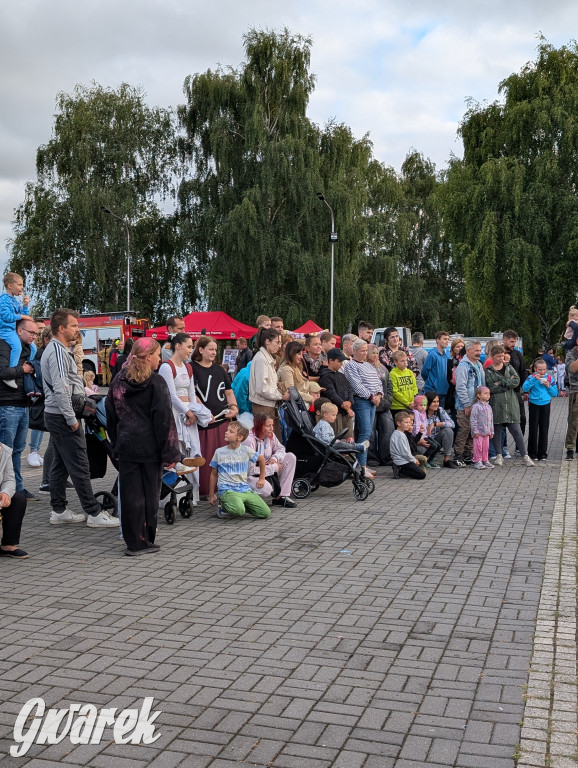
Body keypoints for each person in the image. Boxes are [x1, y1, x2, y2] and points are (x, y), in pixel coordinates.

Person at [41, 308, 119, 527]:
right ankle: (94, 513)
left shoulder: (60, 349)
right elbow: (60, 388)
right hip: (61, 416)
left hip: (57, 414)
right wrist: (70, 418)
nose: (77, 329)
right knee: (79, 463)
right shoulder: (56, 350)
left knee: (60, 464)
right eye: (74, 325)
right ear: (61, 328)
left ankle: (58, 510)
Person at [106, 338, 181, 555]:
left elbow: (111, 416)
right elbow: (164, 420)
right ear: (149, 357)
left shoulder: (118, 380)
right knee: (149, 495)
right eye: (158, 354)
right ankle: (146, 539)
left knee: (130, 494)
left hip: (127, 445)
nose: (160, 359)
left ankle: (133, 542)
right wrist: (168, 450)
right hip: (150, 448)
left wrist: (115, 442)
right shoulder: (156, 382)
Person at [158, 333, 213, 505]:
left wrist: (195, 412)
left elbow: (191, 394)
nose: (191, 350)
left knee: (191, 451)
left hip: (188, 412)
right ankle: (170, 495)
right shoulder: (167, 367)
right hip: (173, 414)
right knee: (177, 450)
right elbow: (171, 395)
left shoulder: (188, 368)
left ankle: (191, 494)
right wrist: (188, 412)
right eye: (189, 346)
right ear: (178, 346)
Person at [192, 335, 238, 497]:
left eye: (215, 350)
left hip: (221, 421)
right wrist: (203, 413)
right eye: (210, 349)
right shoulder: (192, 368)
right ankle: (204, 490)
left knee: (223, 457)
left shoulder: (219, 370)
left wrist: (233, 407)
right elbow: (191, 394)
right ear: (201, 350)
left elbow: (229, 392)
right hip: (203, 424)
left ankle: (223, 487)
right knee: (205, 457)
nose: (213, 352)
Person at [0, 317, 38, 501]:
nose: (33, 336)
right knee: (6, 451)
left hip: (23, 404)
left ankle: (17, 488)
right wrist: (23, 370)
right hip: (8, 405)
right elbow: (3, 372)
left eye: (36, 334)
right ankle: (9, 490)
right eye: (31, 332)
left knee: (17, 450)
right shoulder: (5, 345)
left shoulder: (30, 349)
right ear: (19, 331)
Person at [209, 421, 271, 520]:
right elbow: (213, 474)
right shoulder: (219, 452)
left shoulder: (246, 450)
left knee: (265, 513)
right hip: (227, 490)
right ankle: (223, 506)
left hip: (244, 489)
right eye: (227, 430)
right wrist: (211, 495)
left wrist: (262, 478)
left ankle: (238, 504)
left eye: (231, 431)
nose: (226, 432)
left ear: (239, 437)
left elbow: (261, 459)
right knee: (239, 511)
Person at [485, 344, 534, 467]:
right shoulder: (488, 371)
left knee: (516, 431)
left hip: (511, 404)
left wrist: (501, 382)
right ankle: (499, 455)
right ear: (492, 356)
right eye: (498, 356)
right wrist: (507, 383)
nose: (501, 358)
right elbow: (491, 387)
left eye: (502, 356)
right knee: (497, 431)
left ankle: (525, 456)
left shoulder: (509, 367)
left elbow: (516, 381)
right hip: (497, 405)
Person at [343, 339, 383, 478]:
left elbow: (377, 381)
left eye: (366, 350)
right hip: (362, 401)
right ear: (354, 351)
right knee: (365, 432)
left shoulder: (368, 365)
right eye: (362, 351)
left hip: (373, 401)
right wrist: (371, 396)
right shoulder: (351, 365)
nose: (365, 353)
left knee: (368, 432)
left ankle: (363, 463)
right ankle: (362, 466)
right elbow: (356, 385)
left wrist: (379, 394)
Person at [243, 413, 297, 508]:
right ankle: (246, 498)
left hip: (265, 470)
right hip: (249, 476)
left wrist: (274, 458)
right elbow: (249, 471)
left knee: (290, 457)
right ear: (259, 426)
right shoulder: (249, 440)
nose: (272, 428)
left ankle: (281, 496)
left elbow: (281, 449)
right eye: (268, 426)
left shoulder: (270, 435)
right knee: (266, 490)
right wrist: (273, 468)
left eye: (272, 425)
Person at [249, 328, 289, 439]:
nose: (279, 345)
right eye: (277, 342)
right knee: (266, 440)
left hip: (268, 405)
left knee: (272, 440)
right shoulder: (261, 359)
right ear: (267, 341)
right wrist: (281, 395)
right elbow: (261, 388)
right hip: (263, 406)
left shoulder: (265, 358)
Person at [454, 340, 485, 466]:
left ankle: (468, 455)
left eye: (479, 350)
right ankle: (458, 455)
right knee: (464, 430)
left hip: (477, 405)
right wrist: (466, 404)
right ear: (468, 351)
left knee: (473, 430)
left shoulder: (478, 364)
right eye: (476, 350)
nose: (479, 353)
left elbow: (482, 384)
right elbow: (460, 387)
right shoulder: (463, 366)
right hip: (464, 405)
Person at [0, 272, 32, 389]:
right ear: (10, 285)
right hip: (5, 330)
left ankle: (30, 365)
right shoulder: (3, 300)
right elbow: (7, 317)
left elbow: (22, 316)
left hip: (13, 330)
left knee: (32, 347)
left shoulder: (14, 300)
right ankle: (9, 375)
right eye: (19, 285)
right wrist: (22, 317)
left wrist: (25, 306)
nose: (22, 288)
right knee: (17, 347)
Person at [522, 358, 557, 461]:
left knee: (544, 429)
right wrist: (534, 379)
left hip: (545, 404)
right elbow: (524, 388)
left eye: (544, 369)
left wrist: (548, 386)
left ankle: (542, 453)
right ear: (535, 369)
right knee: (533, 429)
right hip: (534, 404)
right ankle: (532, 453)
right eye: (540, 370)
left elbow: (555, 393)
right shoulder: (531, 377)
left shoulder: (550, 378)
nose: (542, 372)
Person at [366, 343, 394, 466]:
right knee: (370, 432)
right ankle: (371, 457)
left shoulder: (383, 368)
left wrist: (388, 400)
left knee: (388, 429)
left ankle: (386, 457)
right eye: (372, 353)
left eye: (377, 353)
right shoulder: (363, 367)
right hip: (369, 404)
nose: (375, 355)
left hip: (384, 405)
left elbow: (389, 386)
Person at [318, 349, 355, 439]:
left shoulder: (341, 375)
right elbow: (332, 394)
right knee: (337, 440)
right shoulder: (325, 376)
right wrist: (347, 407)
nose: (341, 364)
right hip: (335, 414)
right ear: (330, 360)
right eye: (339, 361)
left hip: (346, 413)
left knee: (349, 439)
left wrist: (350, 402)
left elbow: (350, 389)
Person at [0, 442, 28, 559]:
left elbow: (10, 479)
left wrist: (5, 493)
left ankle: (7, 545)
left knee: (18, 499)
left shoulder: (5, 450)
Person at [502, 329, 528, 436]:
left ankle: (519, 446)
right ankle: (504, 446)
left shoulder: (517, 354)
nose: (514, 344)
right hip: (502, 392)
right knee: (503, 421)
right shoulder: (498, 354)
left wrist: (525, 390)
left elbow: (523, 372)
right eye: (511, 341)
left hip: (516, 392)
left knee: (522, 418)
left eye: (515, 341)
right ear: (504, 340)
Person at [424, 391, 459, 468]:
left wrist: (436, 424)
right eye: (433, 402)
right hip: (424, 441)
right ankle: (424, 460)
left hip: (436, 441)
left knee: (448, 431)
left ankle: (446, 460)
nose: (436, 404)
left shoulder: (440, 410)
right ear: (427, 402)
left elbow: (452, 424)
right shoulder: (422, 412)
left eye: (438, 401)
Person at [278, 341, 316, 408]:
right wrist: (310, 398)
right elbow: (291, 391)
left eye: (302, 354)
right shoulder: (286, 369)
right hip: (296, 407)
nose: (302, 357)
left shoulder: (295, 367)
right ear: (291, 354)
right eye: (299, 354)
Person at [390, 411, 426, 480]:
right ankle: (401, 471)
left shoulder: (401, 434)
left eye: (409, 422)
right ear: (398, 423)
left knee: (420, 471)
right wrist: (414, 460)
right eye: (406, 422)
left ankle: (403, 470)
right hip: (402, 461)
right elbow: (405, 453)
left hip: (405, 459)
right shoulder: (400, 436)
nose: (409, 424)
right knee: (422, 475)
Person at [420, 331, 450, 405]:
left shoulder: (445, 356)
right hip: (432, 391)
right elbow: (424, 371)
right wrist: (431, 382)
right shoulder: (432, 355)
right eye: (445, 339)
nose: (447, 341)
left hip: (443, 391)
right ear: (437, 340)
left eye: (448, 339)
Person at [470, 386, 494, 470]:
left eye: (489, 394)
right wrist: (475, 430)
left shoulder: (489, 407)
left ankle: (485, 460)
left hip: (486, 432)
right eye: (485, 393)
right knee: (478, 446)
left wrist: (491, 431)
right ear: (479, 395)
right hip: (478, 432)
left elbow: (491, 420)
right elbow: (473, 419)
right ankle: (477, 461)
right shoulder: (476, 406)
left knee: (485, 447)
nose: (487, 395)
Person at [389, 351, 418, 416]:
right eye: (402, 361)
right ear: (395, 362)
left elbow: (414, 387)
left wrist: (412, 402)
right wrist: (407, 403)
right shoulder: (392, 374)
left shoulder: (410, 372)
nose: (405, 363)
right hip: (398, 407)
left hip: (411, 404)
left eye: (406, 360)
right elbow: (395, 392)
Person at [564, 341, 578, 460]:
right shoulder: (571, 354)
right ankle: (570, 449)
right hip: (576, 390)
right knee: (574, 421)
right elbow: (572, 369)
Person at [444, 337, 465, 417]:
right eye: (457, 346)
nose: (460, 348)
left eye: (462, 346)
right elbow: (447, 376)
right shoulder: (449, 362)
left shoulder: (467, 361)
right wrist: (450, 380)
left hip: (466, 391)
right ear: (453, 349)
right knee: (455, 415)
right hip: (454, 392)